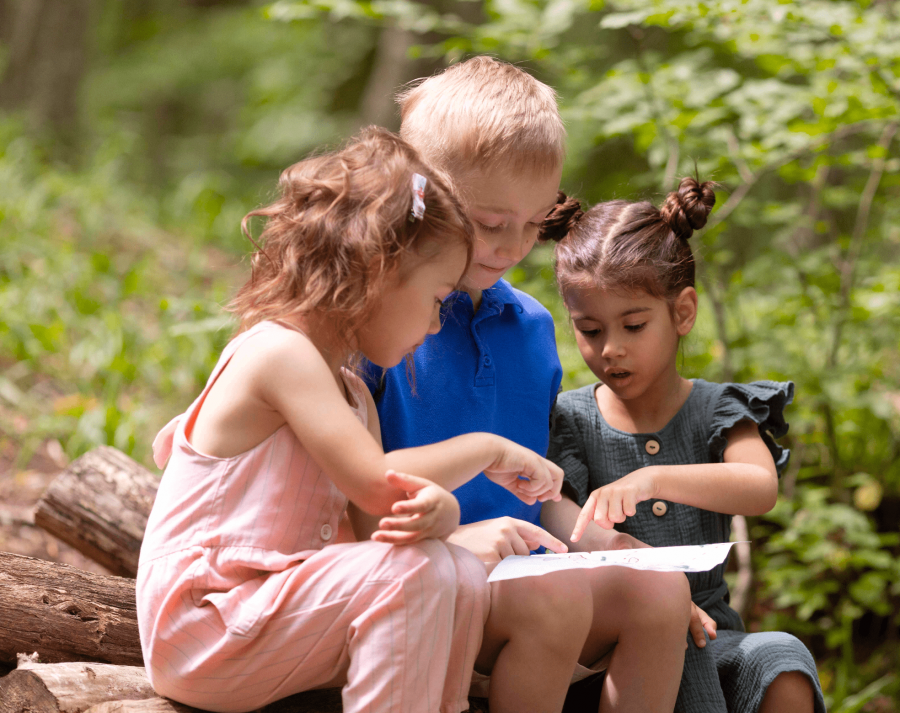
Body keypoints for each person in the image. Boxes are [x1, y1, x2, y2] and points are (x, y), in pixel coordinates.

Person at [136, 127, 566, 713]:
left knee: (457, 570)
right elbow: (377, 480)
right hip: (205, 624)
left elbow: (377, 523)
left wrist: (436, 514)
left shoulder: (353, 396)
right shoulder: (278, 354)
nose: (437, 325)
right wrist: (488, 449)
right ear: (377, 274)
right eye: (436, 300)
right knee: (412, 575)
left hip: (273, 616)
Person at [366, 56, 695, 713]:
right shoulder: (379, 320)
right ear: (419, 191)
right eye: (491, 224)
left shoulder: (531, 327)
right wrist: (451, 541)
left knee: (662, 588)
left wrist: (600, 539)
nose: (514, 247)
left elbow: (531, 493)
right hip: (418, 573)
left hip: (525, 570)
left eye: (535, 224)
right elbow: (348, 499)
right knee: (553, 595)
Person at [541, 176, 826, 713]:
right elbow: (561, 520)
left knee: (781, 661)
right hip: (615, 645)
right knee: (672, 629)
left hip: (718, 633)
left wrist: (653, 478)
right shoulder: (571, 421)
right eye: (591, 330)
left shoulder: (718, 410)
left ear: (683, 313)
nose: (612, 350)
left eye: (633, 325)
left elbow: (758, 487)